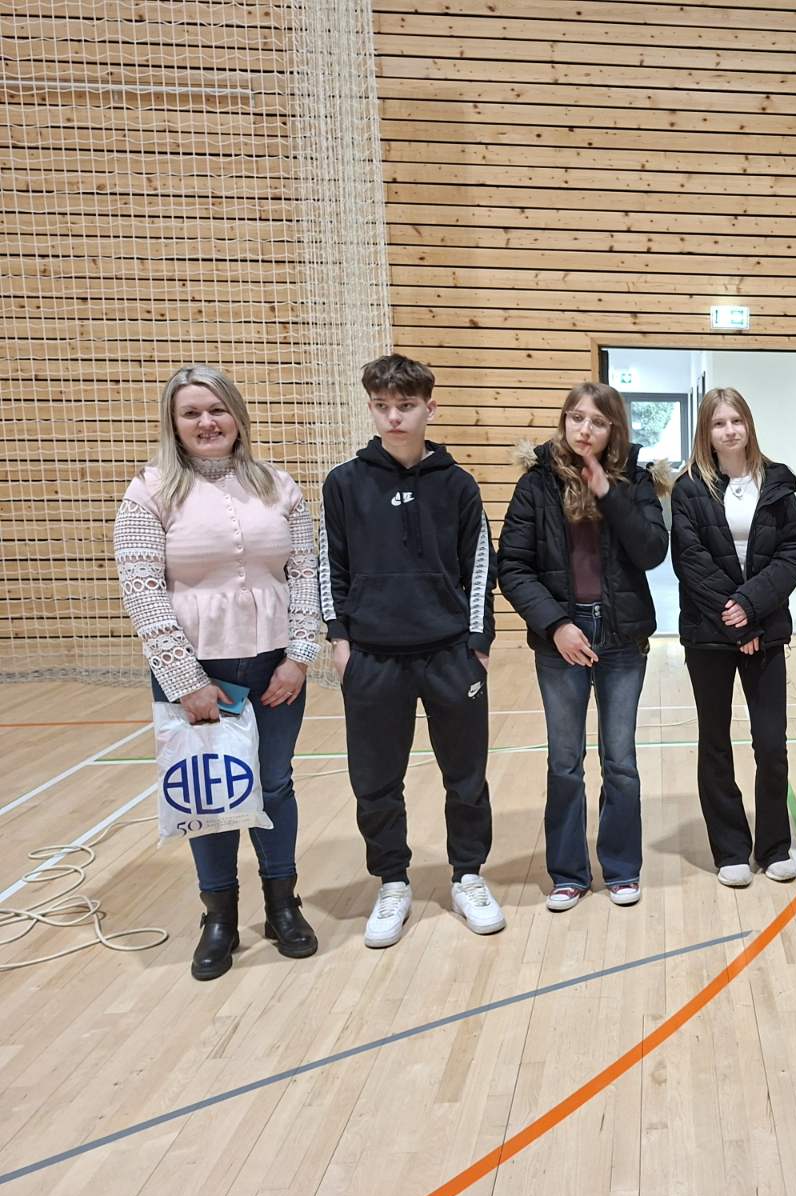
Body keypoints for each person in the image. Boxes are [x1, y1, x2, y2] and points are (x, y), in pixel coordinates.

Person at [115, 364, 319, 980]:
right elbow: (143, 590)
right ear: (174, 424)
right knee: (210, 792)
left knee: (274, 784)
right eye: (191, 413)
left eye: (217, 409)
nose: (207, 422)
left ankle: (283, 905)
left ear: (236, 415)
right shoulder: (149, 492)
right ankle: (220, 918)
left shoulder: (278, 485)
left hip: (274, 667)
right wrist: (187, 681)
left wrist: (298, 656)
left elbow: (305, 573)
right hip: (197, 671)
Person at [320, 354, 501, 948]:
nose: (394, 417)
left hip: (450, 654)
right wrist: (339, 638)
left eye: (406, 406)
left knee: (466, 776)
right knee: (375, 780)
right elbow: (329, 564)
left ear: (430, 408)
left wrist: (477, 643)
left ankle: (468, 875)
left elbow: (480, 566)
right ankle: (393, 882)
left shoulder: (458, 484)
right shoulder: (344, 483)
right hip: (372, 657)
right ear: (371, 408)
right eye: (382, 406)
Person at [498, 381, 669, 911]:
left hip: (622, 639)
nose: (584, 429)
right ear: (565, 421)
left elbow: (652, 551)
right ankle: (569, 872)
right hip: (561, 642)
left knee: (620, 761)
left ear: (613, 428)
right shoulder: (536, 483)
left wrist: (609, 494)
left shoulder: (637, 480)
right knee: (565, 761)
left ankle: (621, 868)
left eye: (596, 421)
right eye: (576, 418)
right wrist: (556, 625)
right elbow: (513, 566)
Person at [670, 388, 796, 887]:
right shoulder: (688, 488)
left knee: (771, 744)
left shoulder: (778, 481)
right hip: (709, 635)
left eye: (736, 421)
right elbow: (690, 560)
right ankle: (730, 848)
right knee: (715, 741)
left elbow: (794, 550)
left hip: (764, 631)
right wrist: (738, 622)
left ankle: (773, 846)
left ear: (748, 425)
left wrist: (751, 609)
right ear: (705, 432)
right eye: (718, 423)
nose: (729, 430)